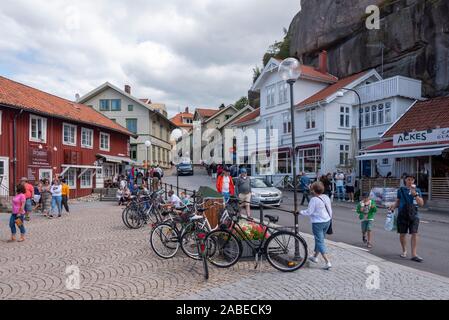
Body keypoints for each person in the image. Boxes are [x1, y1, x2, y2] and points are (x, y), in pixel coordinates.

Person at [389, 175, 424, 262]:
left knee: (414, 233)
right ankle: (404, 250)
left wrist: (415, 195)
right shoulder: (401, 190)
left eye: (412, 180)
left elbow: (421, 204)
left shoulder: (417, 190)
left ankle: (414, 254)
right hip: (402, 213)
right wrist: (393, 206)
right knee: (402, 233)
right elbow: (398, 201)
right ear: (405, 180)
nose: (410, 181)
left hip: (414, 214)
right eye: (408, 179)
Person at [300, 182, 333, 270]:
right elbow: (330, 209)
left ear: (313, 190)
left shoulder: (313, 200)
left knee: (319, 241)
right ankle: (315, 256)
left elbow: (309, 212)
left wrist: (299, 212)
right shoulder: (326, 197)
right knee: (320, 239)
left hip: (318, 223)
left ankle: (327, 261)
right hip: (327, 221)